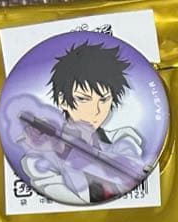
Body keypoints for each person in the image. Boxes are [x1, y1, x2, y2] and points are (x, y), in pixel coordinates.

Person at [20, 42, 146, 204]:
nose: (96, 110)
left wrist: (67, 151)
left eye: (104, 100)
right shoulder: (38, 158)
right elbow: (61, 199)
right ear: (62, 100)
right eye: (83, 99)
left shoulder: (123, 137)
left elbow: (130, 171)